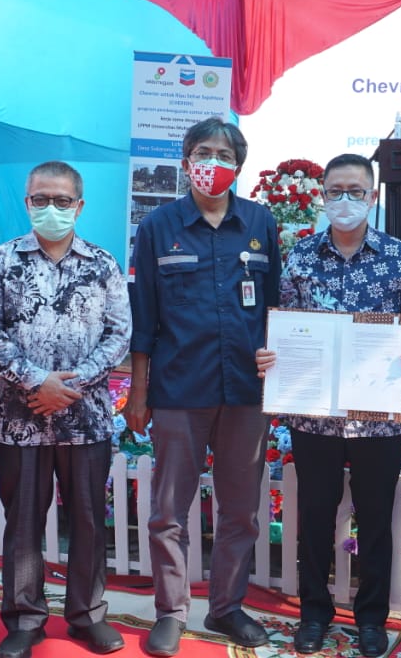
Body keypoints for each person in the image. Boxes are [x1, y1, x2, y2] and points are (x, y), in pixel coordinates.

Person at [253, 153, 401, 657]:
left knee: (375, 522)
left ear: (372, 197)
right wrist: (271, 353)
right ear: (322, 196)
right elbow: (282, 323)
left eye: (355, 191)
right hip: (315, 416)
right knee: (314, 518)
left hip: (379, 418)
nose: (345, 200)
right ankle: (314, 613)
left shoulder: (399, 257)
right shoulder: (302, 257)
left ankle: (371, 618)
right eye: (335, 191)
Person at [127, 117, 281, 656]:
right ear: (186, 160)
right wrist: (138, 393)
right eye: (203, 153)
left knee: (240, 511)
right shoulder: (158, 226)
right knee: (168, 511)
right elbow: (143, 316)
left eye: (224, 154)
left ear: (238, 166)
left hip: (246, 391)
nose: (212, 162)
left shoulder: (260, 222)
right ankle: (170, 612)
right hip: (178, 390)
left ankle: (226, 608)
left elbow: (276, 307)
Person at [0, 161, 132, 658]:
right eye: (41, 199)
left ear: (79, 206)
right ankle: (24, 620)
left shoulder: (103, 264)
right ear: (27, 203)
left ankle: (87, 616)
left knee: (88, 520)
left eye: (62, 201)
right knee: (22, 522)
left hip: (86, 420)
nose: (51, 208)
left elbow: (119, 334)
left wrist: (71, 385)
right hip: (20, 420)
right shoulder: (1, 261)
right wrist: (37, 381)